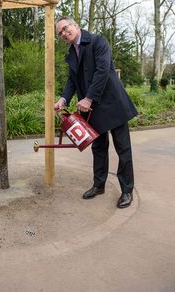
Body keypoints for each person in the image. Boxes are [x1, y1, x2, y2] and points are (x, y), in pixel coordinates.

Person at [54, 17, 137, 208]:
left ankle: (127, 191)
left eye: (66, 29)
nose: (64, 34)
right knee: (98, 148)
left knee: (123, 150)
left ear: (75, 25)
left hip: (112, 104)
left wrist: (89, 97)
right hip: (92, 109)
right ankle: (99, 185)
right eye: (60, 33)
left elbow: (103, 72)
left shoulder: (98, 41)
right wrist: (63, 99)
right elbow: (72, 81)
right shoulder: (71, 53)